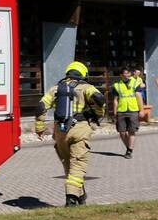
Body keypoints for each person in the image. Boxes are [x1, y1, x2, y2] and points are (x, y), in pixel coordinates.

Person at [35, 61, 106, 206]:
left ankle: (81, 196)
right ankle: (71, 198)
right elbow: (99, 99)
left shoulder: (55, 88)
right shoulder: (86, 87)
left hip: (60, 132)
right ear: (83, 74)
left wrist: (39, 127)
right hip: (79, 130)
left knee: (68, 164)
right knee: (78, 164)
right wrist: (98, 114)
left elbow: (41, 106)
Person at [112, 68, 142, 158]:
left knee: (131, 131)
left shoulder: (135, 83)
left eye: (129, 73)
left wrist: (142, 110)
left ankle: (129, 151)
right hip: (121, 111)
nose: (127, 75)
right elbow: (115, 100)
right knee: (121, 132)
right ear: (121, 75)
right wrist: (115, 112)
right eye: (125, 73)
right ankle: (129, 147)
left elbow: (139, 97)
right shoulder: (116, 85)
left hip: (133, 110)